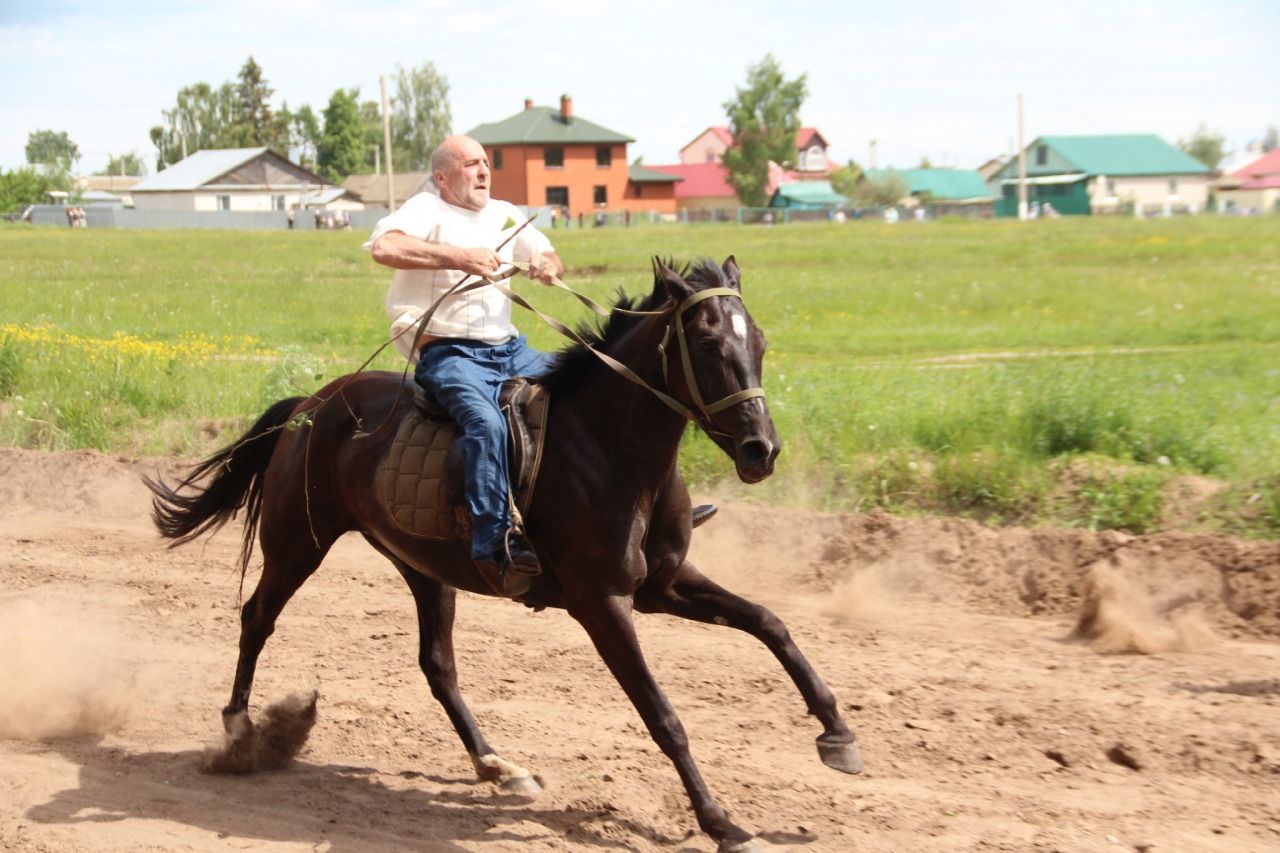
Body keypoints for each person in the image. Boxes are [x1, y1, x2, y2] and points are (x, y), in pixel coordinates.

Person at [365, 135, 565, 598]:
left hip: (508, 349)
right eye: (471, 164)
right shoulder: (424, 210)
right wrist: (459, 257)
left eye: (485, 163)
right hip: (448, 353)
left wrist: (545, 263)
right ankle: (496, 544)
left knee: (588, 387)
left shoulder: (505, 212)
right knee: (486, 424)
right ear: (443, 176)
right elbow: (384, 247)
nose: (483, 171)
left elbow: (549, 253)